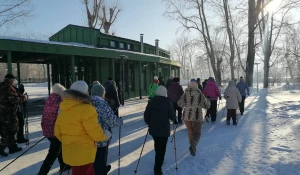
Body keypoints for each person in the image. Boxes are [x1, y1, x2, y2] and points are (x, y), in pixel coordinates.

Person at [54, 80, 111, 175]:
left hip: (70, 153)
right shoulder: (86, 109)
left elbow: (57, 133)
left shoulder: (63, 108)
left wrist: (69, 141)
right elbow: (96, 134)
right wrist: (106, 135)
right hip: (84, 155)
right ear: (85, 93)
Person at [90, 84, 123, 175]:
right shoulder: (102, 104)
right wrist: (120, 121)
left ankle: (100, 170)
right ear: (102, 94)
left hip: (89, 138)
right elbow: (112, 121)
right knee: (100, 158)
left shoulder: (88, 102)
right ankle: (101, 171)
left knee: (93, 159)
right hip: (101, 136)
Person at [38, 83, 71, 175]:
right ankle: (42, 173)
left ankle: (64, 165)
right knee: (53, 153)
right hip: (55, 131)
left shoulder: (49, 100)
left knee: (59, 147)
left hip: (47, 129)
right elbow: (61, 117)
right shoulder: (60, 102)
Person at [144, 85, 177, 175]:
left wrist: (149, 122)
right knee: (161, 149)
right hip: (164, 130)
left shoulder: (151, 102)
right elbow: (172, 116)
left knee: (157, 145)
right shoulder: (168, 102)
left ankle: (159, 159)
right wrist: (174, 119)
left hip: (154, 129)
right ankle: (157, 169)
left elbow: (146, 115)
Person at [178, 79, 210, 156]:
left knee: (190, 132)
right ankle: (193, 145)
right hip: (197, 116)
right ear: (197, 86)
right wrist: (208, 100)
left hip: (187, 116)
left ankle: (192, 146)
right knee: (198, 133)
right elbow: (206, 106)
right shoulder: (200, 94)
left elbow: (180, 104)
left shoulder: (185, 94)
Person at [0, 74, 25, 157]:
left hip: (2, 113)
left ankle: (12, 147)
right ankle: (1, 147)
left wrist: (18, 94)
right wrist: (22, 98)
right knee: (11, 129)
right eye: (13, 80)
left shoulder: (1, 86)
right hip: (8, 113)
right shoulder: (8, 87)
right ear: (10, 80)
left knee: (4, 130)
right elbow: (13, 100)